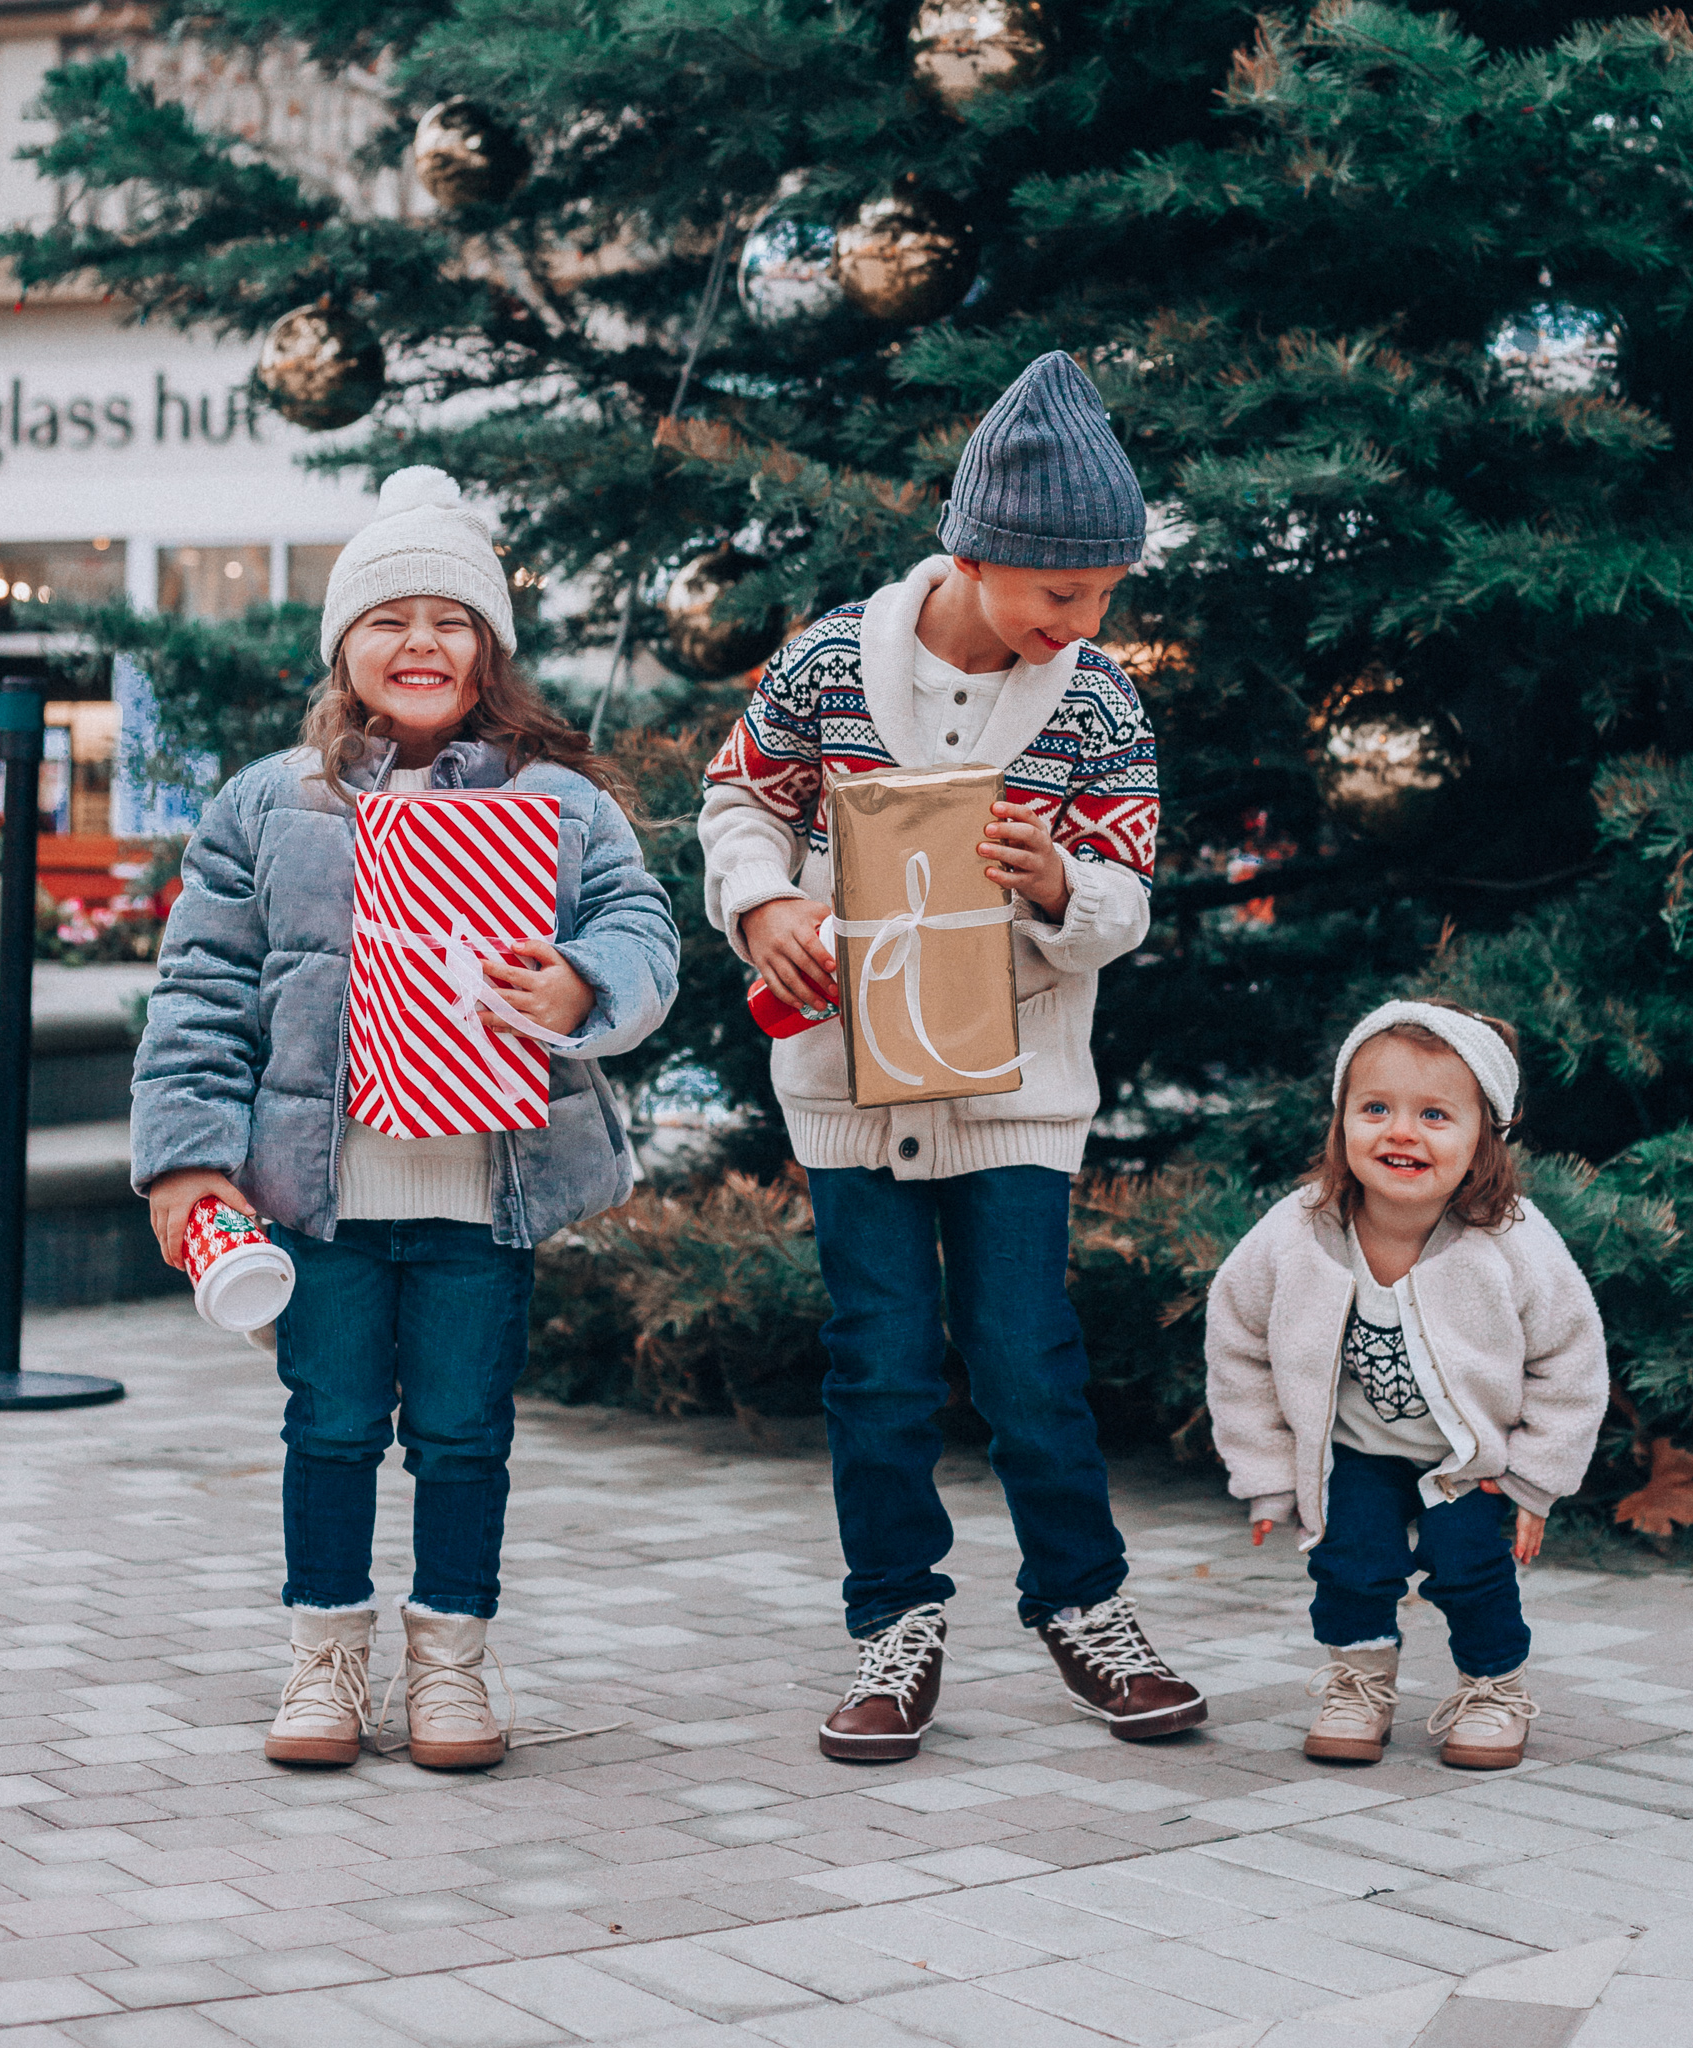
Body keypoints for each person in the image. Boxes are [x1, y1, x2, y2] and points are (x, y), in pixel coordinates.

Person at [131, 467, 679, 1771]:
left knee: (461, 1433)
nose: (419, 642)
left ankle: (451, 1666)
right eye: (389, 617)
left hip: (478, 1200)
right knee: (325, 1426)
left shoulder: (558, 803)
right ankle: (324, 1660)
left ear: (488, 649)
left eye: (450, 618)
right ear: (344, 646)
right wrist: (187, 1164)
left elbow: (641, 931)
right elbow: (201, 993)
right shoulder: (271, 805)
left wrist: (581, 979)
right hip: (315, 1200)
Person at [701, 351, 1204, 1761]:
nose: (1080, 623)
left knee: (1026, 1356)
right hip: (848, 1091)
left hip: (1014, 1093)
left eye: (1104, 596)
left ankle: (1083, 1607)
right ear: (976, 554)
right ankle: (893, 1628)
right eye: (1059, 593)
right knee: (876, 1363)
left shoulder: (1098, 704)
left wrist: (1054, 888)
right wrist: (767, 904)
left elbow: (1126, 896)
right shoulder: (822, 665)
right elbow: (738, 794)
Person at [1204, 999, 1608, 1770]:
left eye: (1434, 1115)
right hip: (1357, 1451)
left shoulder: (1511, 1240)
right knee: (1350, 1563)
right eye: (1376, 1108)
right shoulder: (1301, 1230)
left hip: (1468, 1463)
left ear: (1484, 1136)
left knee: (1470, 1569)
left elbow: (1570, 1357)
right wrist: (1263, 1471)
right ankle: (1359, 1686)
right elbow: (1239, 1340)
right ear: (1340, 1120)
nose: (1399, 1132)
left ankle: (1493, 1689)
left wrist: (1533, 1481)